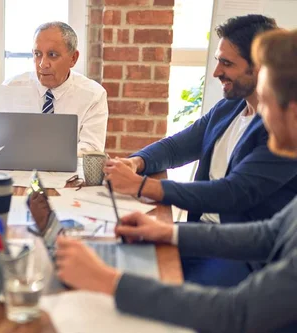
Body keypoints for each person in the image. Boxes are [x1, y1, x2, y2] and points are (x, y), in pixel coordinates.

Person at [53, 29, 297, 333]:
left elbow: (238, 312)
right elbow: (267, 235)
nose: (261, 110)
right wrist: (167, 232)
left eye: (267, 99)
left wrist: (108, 282)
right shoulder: (230, 109)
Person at [104, 15, 297, 286]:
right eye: (218, 60)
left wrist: (142, 186)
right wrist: (136, 162)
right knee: (122, 251)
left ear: (259, 69)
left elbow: (232, 192)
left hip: (244, 254)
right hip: (204, 233)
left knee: (165, 288)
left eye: (227, 63)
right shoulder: (229, 107)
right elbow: (177, 146)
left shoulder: (280, 131)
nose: (217, 71)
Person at [0, 21, 108, 152]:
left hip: (68, 178)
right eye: (38, 54)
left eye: (52, 55)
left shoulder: (93, 95)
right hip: (16, 175)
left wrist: (44, 155)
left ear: (73, 58)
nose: (43, 64)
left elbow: (91, 149)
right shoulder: (12, 86)